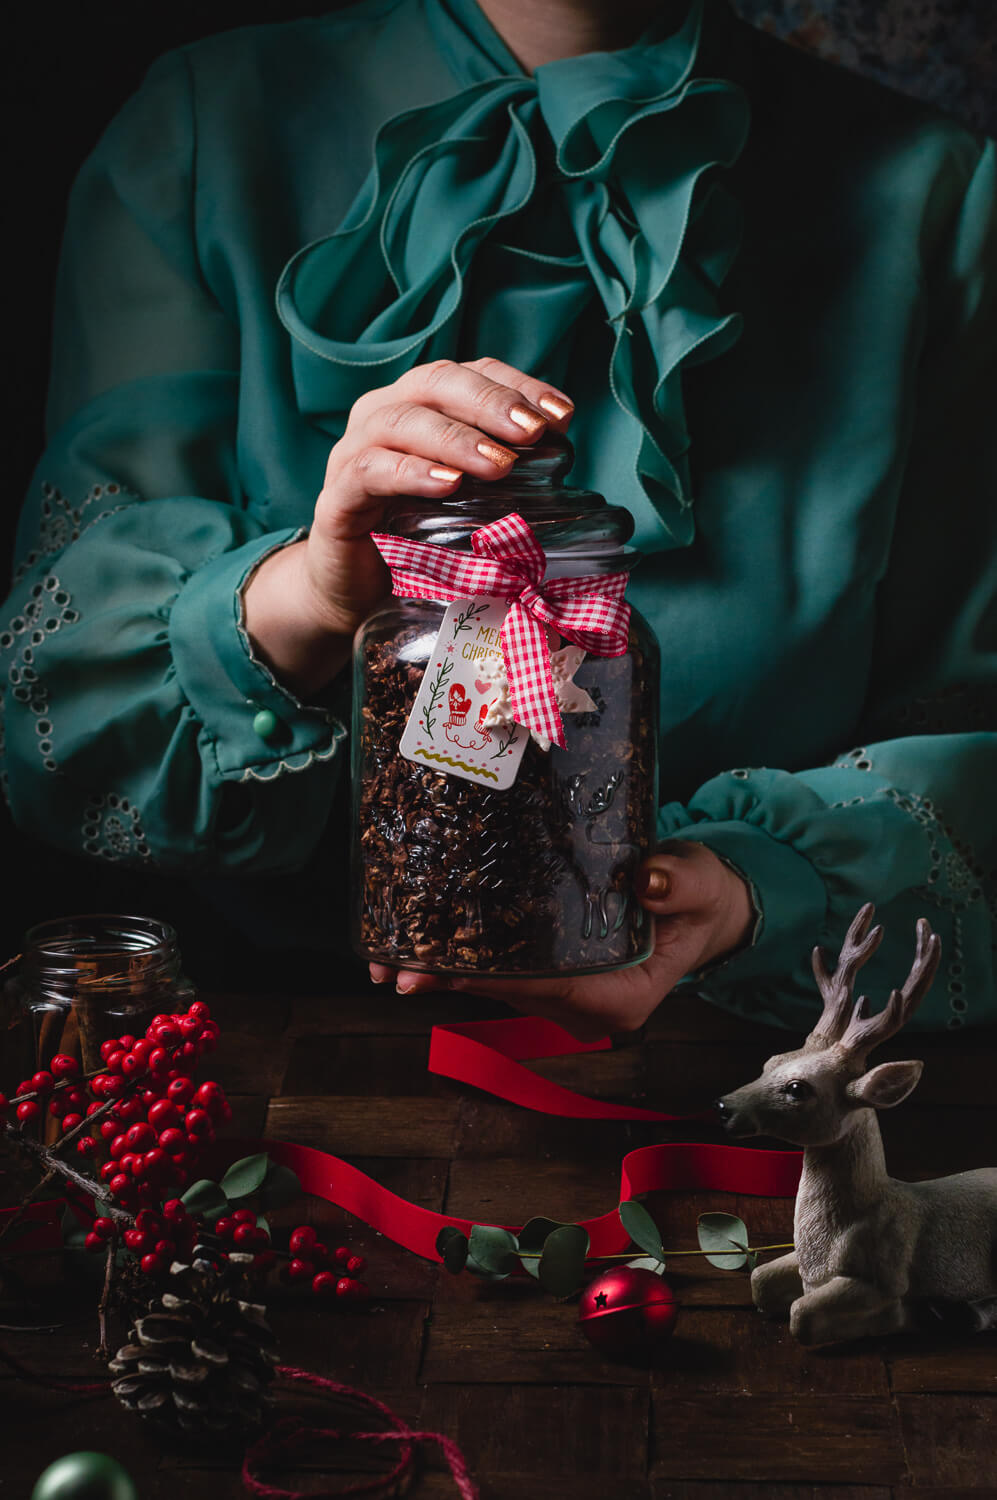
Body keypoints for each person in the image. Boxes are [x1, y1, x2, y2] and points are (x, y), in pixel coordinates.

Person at [1, 0, 994, 1037]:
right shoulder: (202, 128)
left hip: (760, 1065)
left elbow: (974, 730)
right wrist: (314, 588)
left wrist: (753, 892)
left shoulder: (941, 197)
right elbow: (52, 713)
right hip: (261, 1056)